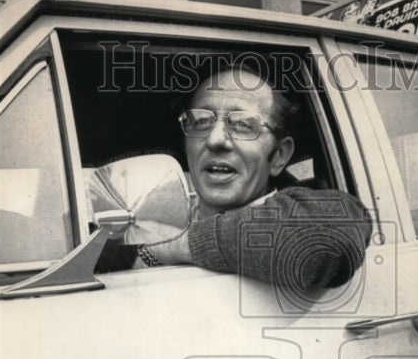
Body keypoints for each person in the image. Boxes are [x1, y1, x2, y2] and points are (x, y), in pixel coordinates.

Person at [97, 64, 371, 295]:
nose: (216, 140)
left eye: (242, 124)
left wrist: (171, 248)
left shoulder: (304, 215)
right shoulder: (156, 218)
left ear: (279, 156)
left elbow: (329, 238)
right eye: (201, 121)